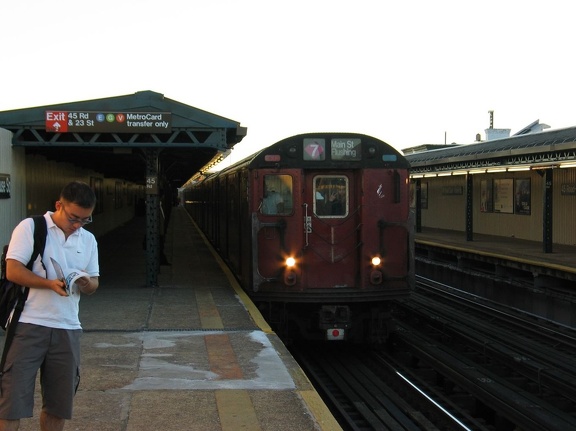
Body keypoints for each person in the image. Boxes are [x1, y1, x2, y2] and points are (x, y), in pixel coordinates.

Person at [0, 181, 99, 431]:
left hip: (68, 327)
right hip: (28, 324)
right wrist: (48, 284)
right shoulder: (31, 227)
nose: (77, 225)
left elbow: (95, 281)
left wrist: (86, 283)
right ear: (59, 206)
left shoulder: (88, 240)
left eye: (85, 220)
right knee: (12, 400)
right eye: (74, 217)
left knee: (58, 404)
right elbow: (13, 270)